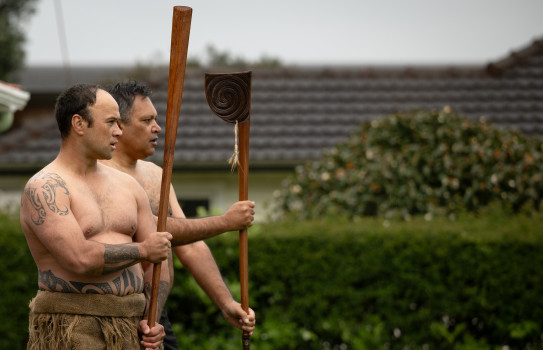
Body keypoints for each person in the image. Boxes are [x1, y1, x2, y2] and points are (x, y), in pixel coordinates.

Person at [101, 81, 256, 349]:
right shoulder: (101, 175)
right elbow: (152, 228)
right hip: (115, 319)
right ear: (120, 125)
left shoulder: (157, 175)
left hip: (157, 320)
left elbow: (191, 246)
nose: (157, 128)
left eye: (157, 120)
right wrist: (225, 222)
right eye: (147, 120)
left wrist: (226, 303)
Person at [20, 83, 172, 350]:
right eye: (111, 122)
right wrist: (144, 249)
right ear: (79, 123)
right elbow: (79, 258)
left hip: (132, 327)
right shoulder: (45, 187)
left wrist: (151, 320)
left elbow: (158, 264)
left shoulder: (129, 186)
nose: (119, 131)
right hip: (71, 326)